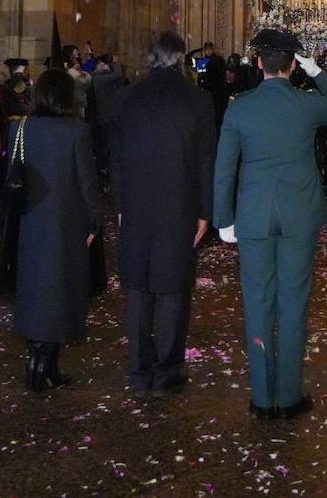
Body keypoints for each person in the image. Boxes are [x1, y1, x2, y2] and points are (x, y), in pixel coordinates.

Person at [213, 29, 327, 418]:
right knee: (293, 304)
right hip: (298, 215)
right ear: (293, 65)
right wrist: (317, 71)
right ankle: (288, 397)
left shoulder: (239, 107)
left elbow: (224, 168)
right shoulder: (306, 104)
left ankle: (262, 397)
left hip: (254, 216)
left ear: (258, 63)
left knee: (257, 304)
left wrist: (224, 218)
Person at [107, 32, 216, 394]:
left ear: (150, 58)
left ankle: (139, 370)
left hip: (136, 205)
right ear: (181, 60)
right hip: (179, 204)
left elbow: (116, 162)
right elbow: (205, 163)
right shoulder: (198, 101)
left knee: (138, 288)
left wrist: (120, 206)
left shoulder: (125, 98)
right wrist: (204, 211)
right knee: (172, 289)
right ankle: (167, 370)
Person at [9, 68, 101, 391]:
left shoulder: (20, 129)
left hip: (30, 219)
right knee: (61, 290)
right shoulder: (76, 131)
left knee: (37, 287)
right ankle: (43, 359)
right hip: (66, 219)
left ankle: (45, 360)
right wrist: (95, 218)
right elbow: (87, 182)